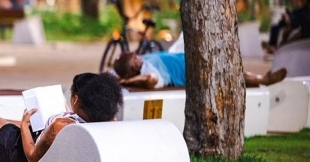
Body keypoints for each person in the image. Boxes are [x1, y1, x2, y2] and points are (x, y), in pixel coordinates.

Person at [112, 51, 287, 89]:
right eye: (134, 59)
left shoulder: (144, 61)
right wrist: (128, 81)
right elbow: (151, 80)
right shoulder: (146, 70)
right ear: (133, 69)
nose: (137, 56)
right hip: (192, 72)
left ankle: (261, 78)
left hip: (189, 59)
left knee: (228, 69)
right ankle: (263, 79)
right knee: (228, 75)